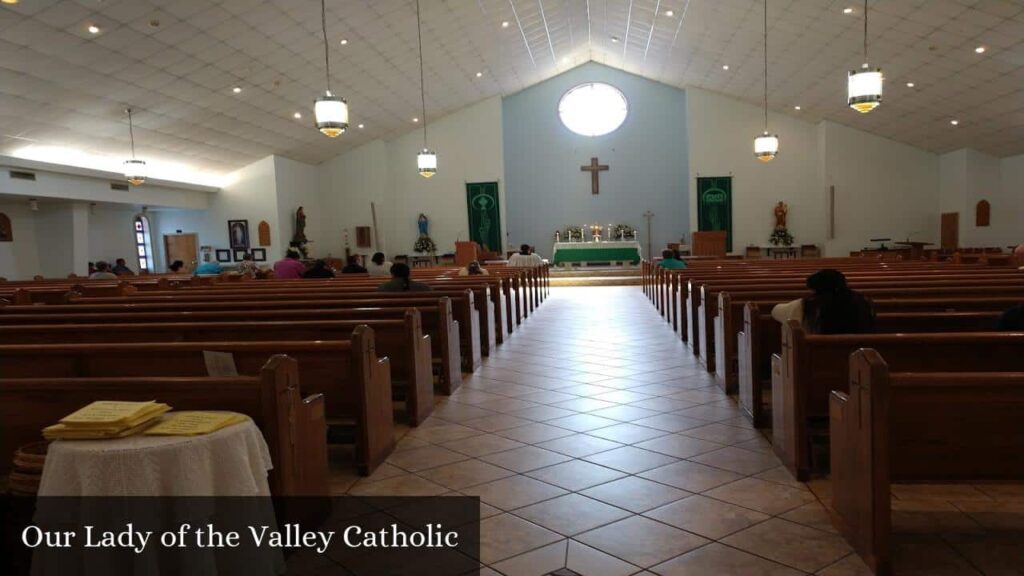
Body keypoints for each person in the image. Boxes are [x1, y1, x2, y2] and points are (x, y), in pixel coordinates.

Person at [772, 269, 875, 334]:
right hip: (860, 358)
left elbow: (775, 311)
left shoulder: (806, 305)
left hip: (814, 361)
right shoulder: (862, 302)